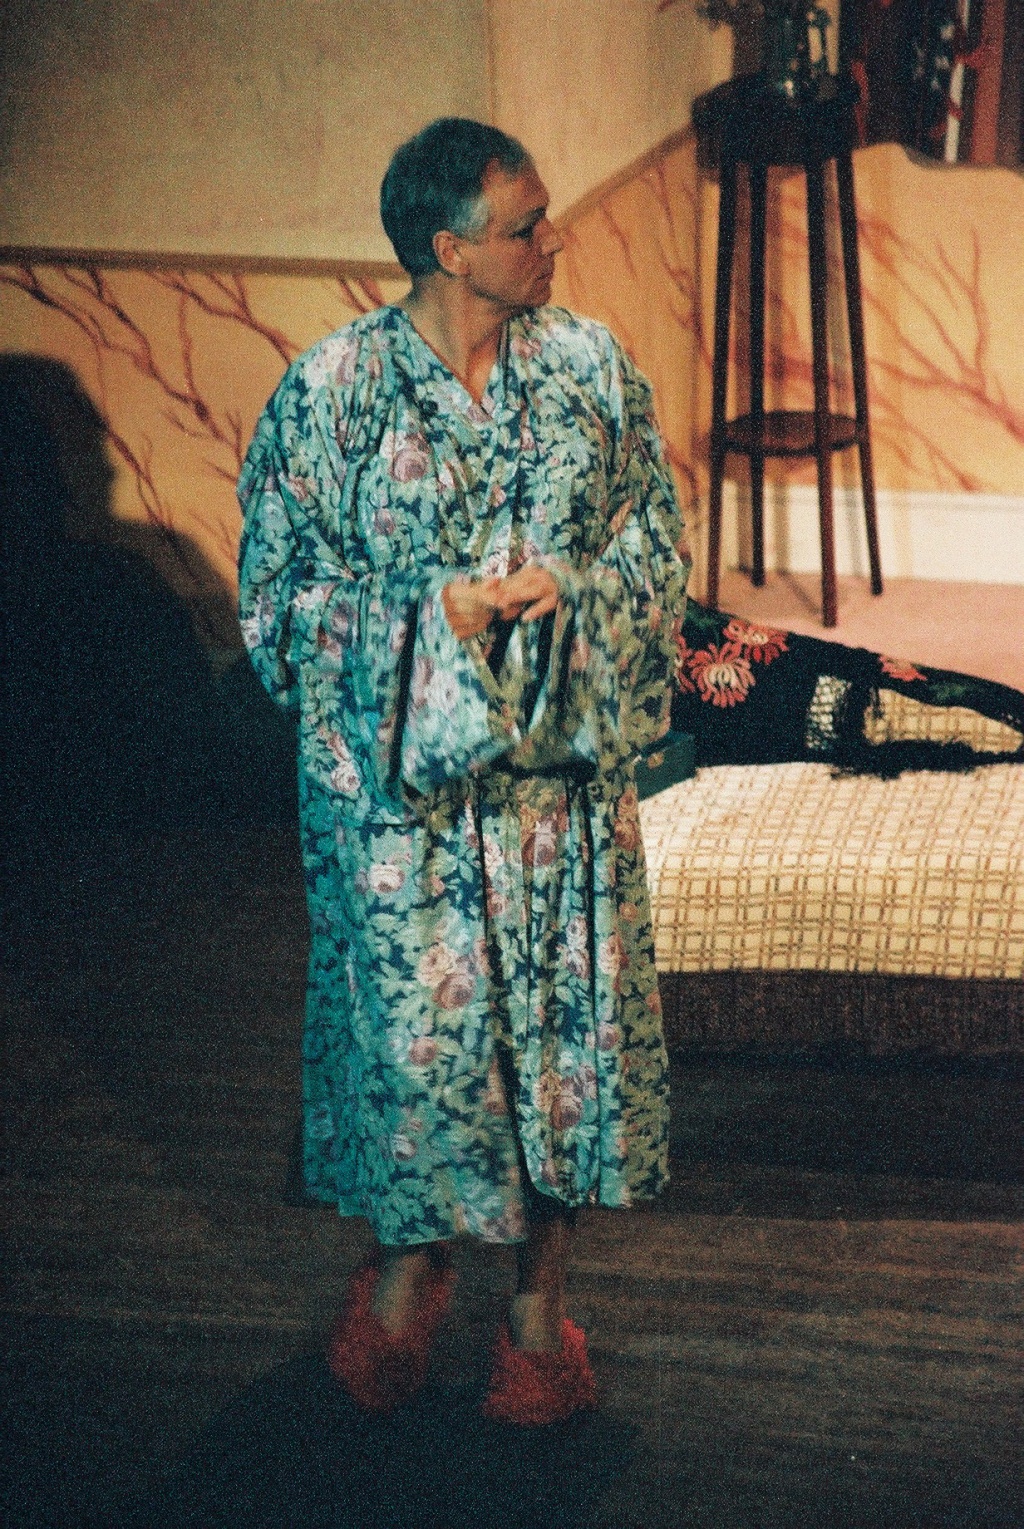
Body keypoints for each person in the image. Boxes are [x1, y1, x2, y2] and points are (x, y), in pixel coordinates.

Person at [237, 117, 691, 1424]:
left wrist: (574, 587)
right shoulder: (330, 396)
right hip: (406, 814)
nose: (556, 240)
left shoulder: (590, 368)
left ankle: (539, 1306)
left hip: (556, 800)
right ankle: (408, 1272)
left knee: (555, 1052)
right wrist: (435, 616)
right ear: (451, 249)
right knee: (420, 1044)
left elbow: (657, 546)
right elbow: (278, 608)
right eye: (526, 225)